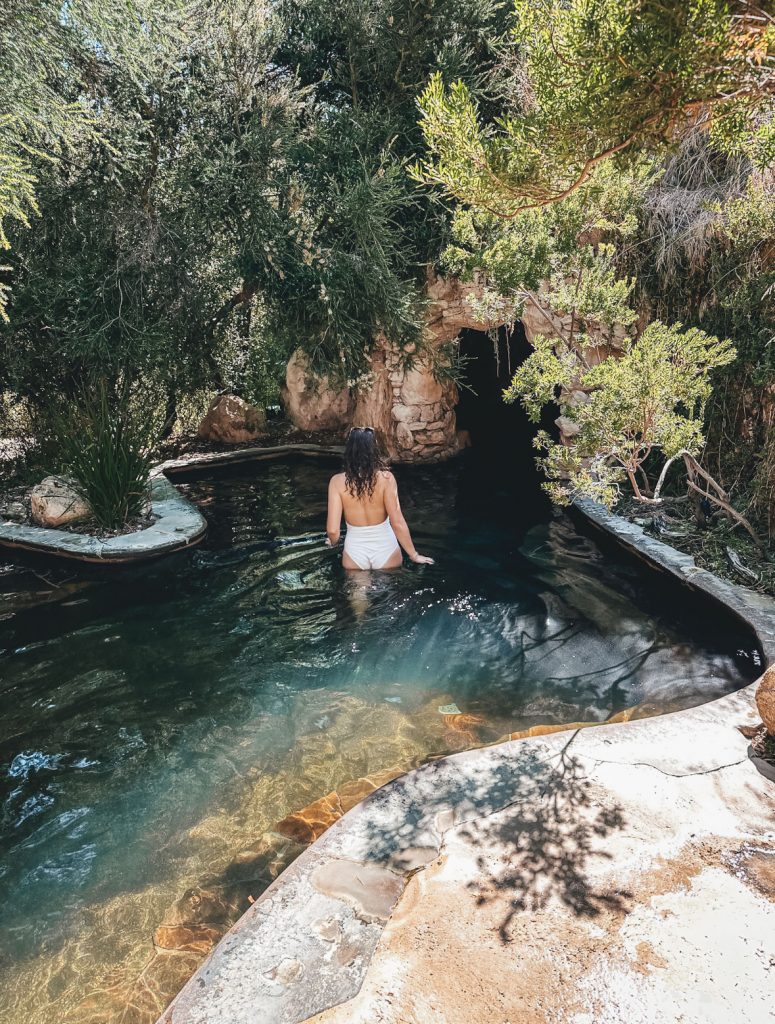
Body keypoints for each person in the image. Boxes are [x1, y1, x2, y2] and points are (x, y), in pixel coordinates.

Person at [326, 427, 434, 570]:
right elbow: (398, 523)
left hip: (354, 553)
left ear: (349, 450)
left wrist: (333, 542)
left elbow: (333, 530)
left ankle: (358, 593)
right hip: (386, 550)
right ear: (373, 450)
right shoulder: (386, 479)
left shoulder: (337, 482)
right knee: (389, 591)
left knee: (357, 591)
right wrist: (414, 555)